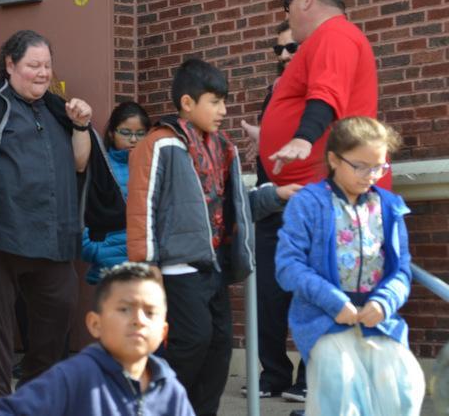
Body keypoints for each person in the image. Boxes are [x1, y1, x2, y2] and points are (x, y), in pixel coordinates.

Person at [0, 29, 121, 406]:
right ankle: (0, 406)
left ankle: (31, 394)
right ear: (10, 64)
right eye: (34, 65)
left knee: (60, 307)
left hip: (49, 236)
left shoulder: (56, 108)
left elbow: (80, 164)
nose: (43, 73)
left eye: (47, 65)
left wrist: (81, 126)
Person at [127, 58, 300, 416]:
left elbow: (235, 207)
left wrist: (276, 195)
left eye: (224, 101)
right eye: (215, 102)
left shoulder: (223, 147)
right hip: (176, 268)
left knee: (219, 349)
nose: (223, 110)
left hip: (214, 266)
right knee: (192, 341)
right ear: (187, 103)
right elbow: (142, 208)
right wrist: (147, 267)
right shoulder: (159, 144)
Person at [275, 116, 425, 415]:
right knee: (339, 385)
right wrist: (334, 301)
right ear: (334, 159)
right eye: (360, 166)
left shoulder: (389, 206)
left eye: (379, 167)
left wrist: (384, 302)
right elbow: (288, 265)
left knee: (403, 386)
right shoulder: (307, 203)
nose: (371, 176)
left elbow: (401, 270)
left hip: (377, 319)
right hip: (324, 318)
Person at [0, 262, 196, 416]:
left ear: (163, 331)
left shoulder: (170, 389)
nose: (139, 320)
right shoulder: (74, 377)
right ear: (96, 324)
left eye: (150, 312)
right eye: (124, 309)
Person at [259, 0, 389, 190]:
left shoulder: (334, 34)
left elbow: (326, 94)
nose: (286, 16)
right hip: (322, 189)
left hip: (335, 191)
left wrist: (303, 138)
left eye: (287, 4)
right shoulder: (325, 38)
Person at [240, 21, 308, 401]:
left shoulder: (317, 89)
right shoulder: (275, 91)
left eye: (291, 48)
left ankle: (310, 375)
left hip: (306, 204)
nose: (283, 55)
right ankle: (274, 373)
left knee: (310, 293)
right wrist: (262, 138)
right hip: (270, 203)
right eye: (278, 49)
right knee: (267, 294)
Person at [81, 101, 150, 284]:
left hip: (147, 263)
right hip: (108, 261)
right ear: (112, 133)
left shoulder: (153, 166)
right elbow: (80, 206)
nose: (133, 139)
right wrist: (92, 250)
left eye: (140, 133)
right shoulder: (101, 166)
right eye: (126, 132)